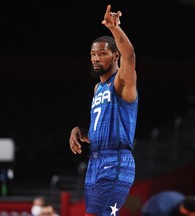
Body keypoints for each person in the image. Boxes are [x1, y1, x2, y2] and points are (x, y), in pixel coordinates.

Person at [69, 4, 138, 216]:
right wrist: (80, 132)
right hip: (95, 160)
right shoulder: (98, 88)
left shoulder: (122, 82)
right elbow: (103, 130)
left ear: (115, 56)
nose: (96, 58)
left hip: (115, 160)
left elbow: (130, 56)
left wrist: (115, 29)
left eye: (102, 53)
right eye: (92, 54)